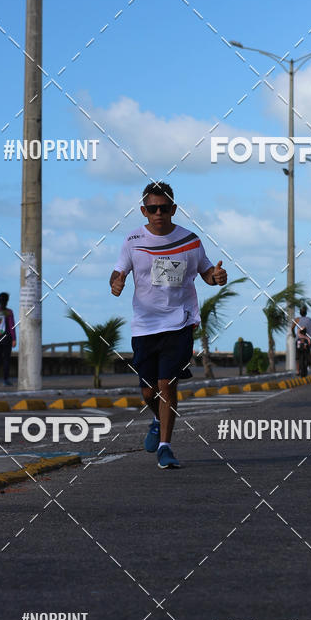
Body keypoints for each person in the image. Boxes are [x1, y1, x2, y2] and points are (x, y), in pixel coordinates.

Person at [110, 181, 227, 469]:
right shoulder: (132, 240)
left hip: (180, 323)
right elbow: (117, 272)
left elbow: (207, 273)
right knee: (149, 391)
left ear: (173, 209)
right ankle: (156, 418)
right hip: (145, 326)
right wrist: (116, 282)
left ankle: (165, 446)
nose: (158, 213)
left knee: (166, 384)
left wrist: (217, 277)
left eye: (164, 208)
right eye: (152, 208)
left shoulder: (190, 241)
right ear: (144, 211)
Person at [292, 305, 311, 375]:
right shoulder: (310, 319)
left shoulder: (297, 319)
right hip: (308, 340)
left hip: (299, 340)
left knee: (297, 356)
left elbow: (292, 328)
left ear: (300, 313)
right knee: (308, 352)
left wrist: (293, 334)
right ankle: (309, 362)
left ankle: (298, 370)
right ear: (306, 313)